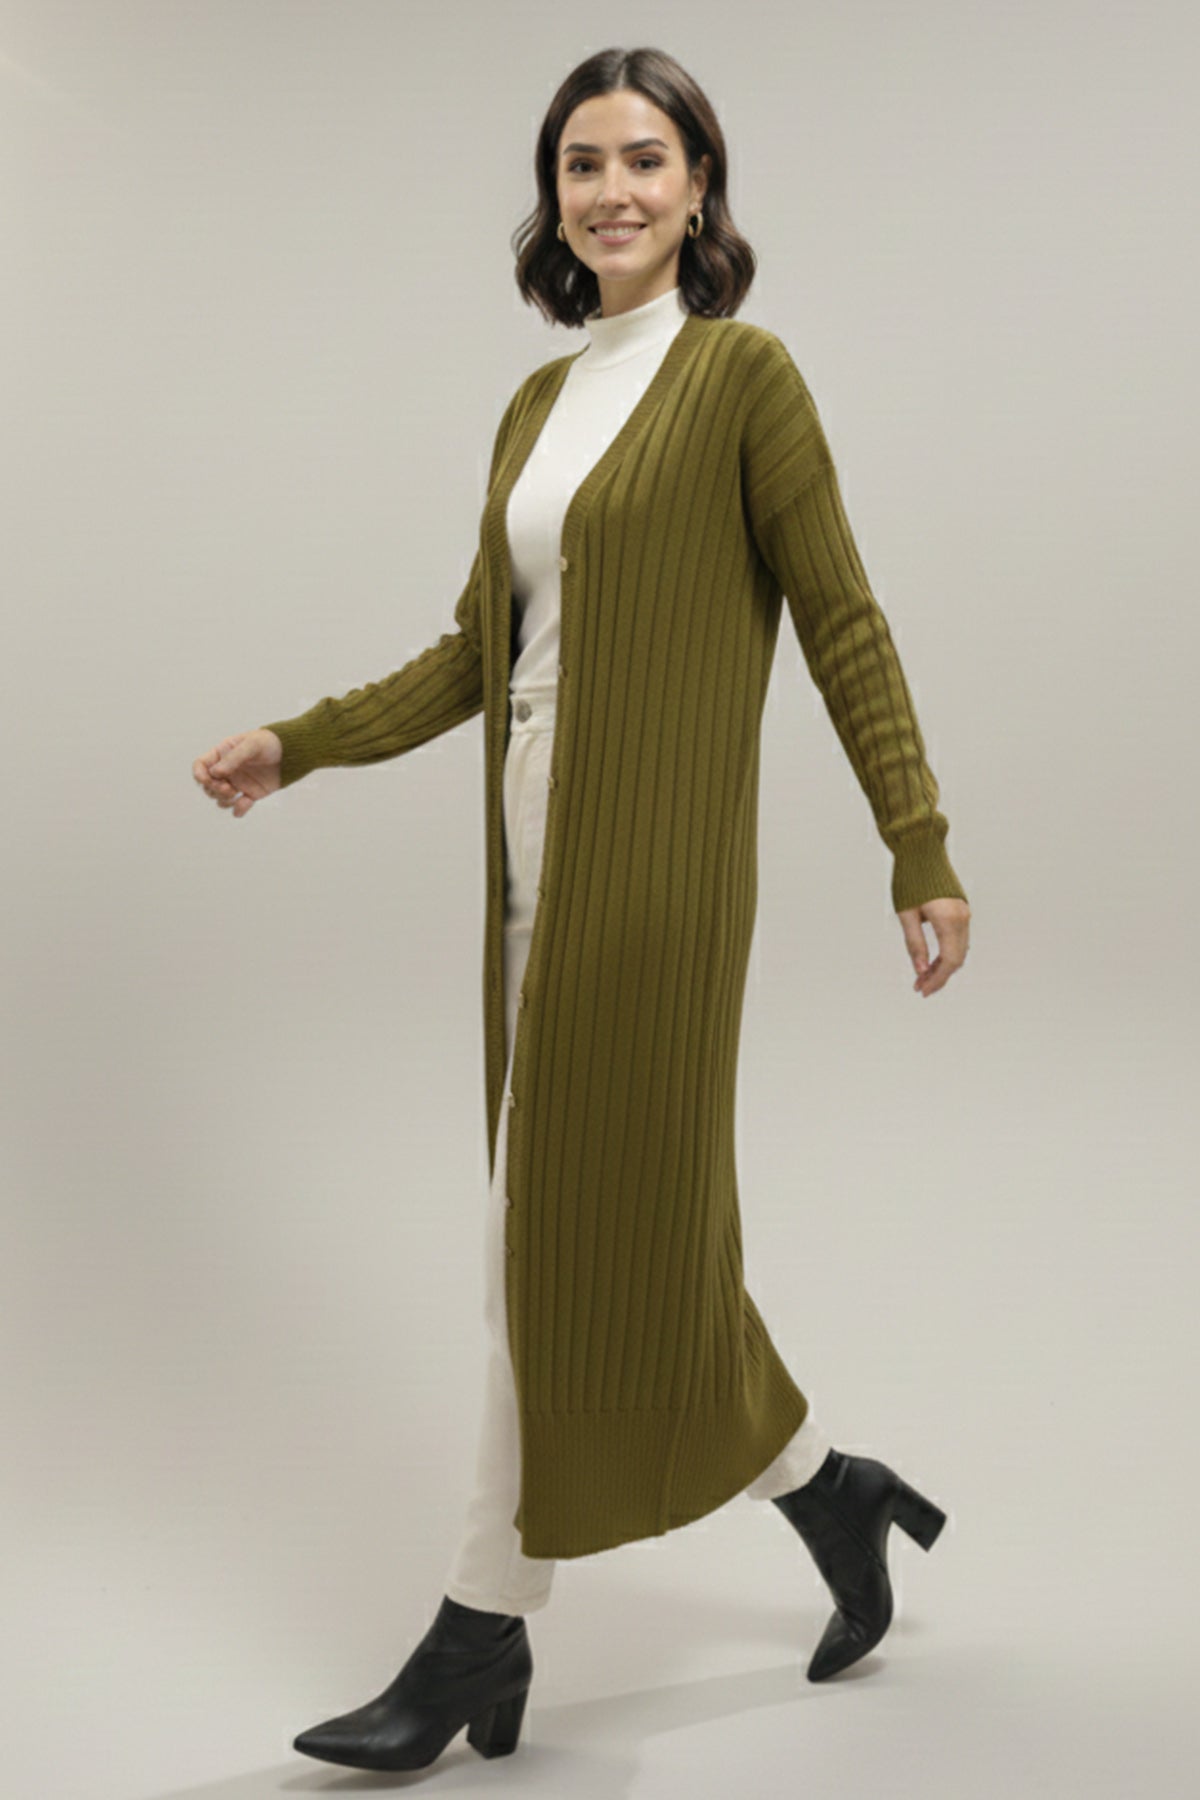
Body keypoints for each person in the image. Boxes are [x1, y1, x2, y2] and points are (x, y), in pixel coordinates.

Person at [193, 45, 970, 1774]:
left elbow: (841, 616)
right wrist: (300, 743)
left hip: (659, 883)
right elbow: (481, 653)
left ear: (700, 188)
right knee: (618, 1242)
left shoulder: (743, 377)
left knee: (532, 1244)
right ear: (553, 198)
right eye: (580, 163)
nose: (611, 189)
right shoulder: (538, 409)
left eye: (645, 158)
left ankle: (479, 1629)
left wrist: (916, 841)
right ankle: (835, 1492)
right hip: (530, 874)